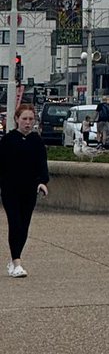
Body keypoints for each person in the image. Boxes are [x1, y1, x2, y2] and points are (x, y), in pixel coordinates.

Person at [0, 103, 50, 277]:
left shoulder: (37, 141)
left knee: (24, 225)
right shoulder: (7, 141)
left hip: (29, 190)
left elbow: (42, 165)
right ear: (16, 120)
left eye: (30, 119)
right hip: (10, 190)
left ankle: (15, 259)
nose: (27, 123)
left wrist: (42, 182)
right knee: (15, 223)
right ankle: (17, 262)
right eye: (24, 119)